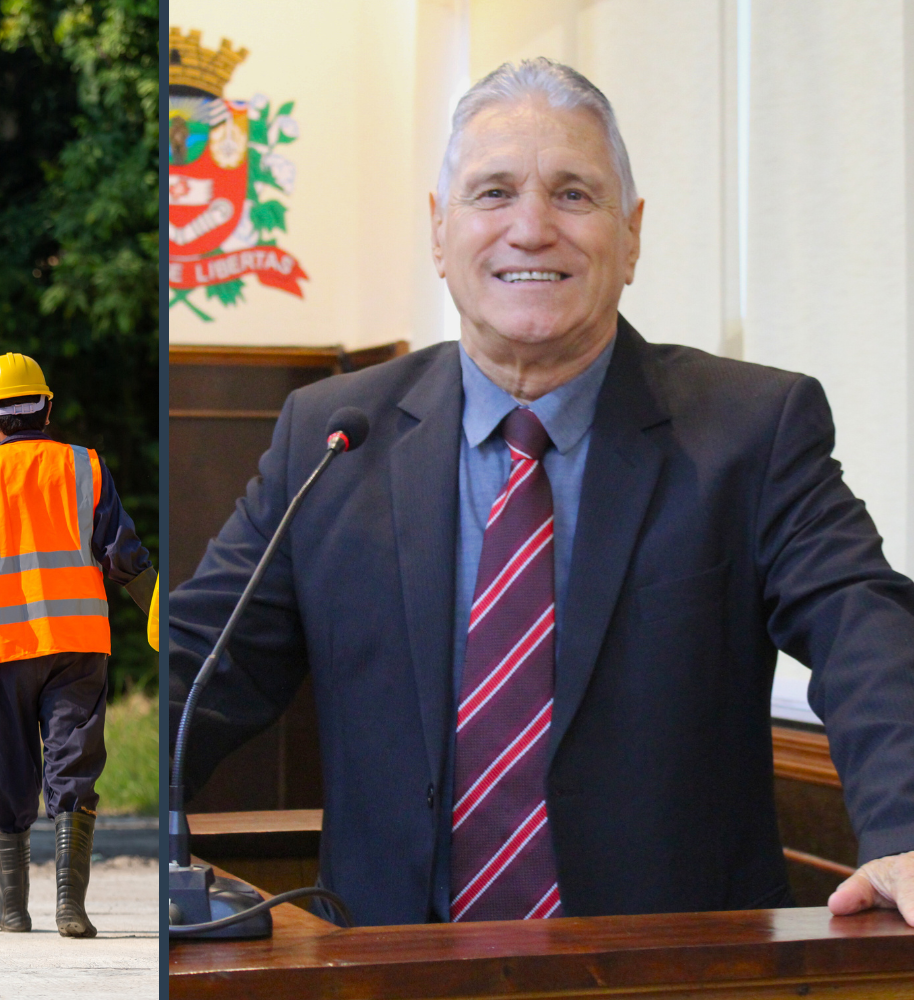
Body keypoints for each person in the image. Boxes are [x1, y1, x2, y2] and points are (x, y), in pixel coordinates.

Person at [168, 58, 914, 927]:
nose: (531, 229)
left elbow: (866, 625)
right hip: (385, 975)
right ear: (439, 232)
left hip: (676, 977)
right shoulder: (329, 436)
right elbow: (201, 663)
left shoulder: (753, 428)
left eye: (572, 194)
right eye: (493, 193)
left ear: (631, 236)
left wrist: (906, 828)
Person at [0, 352, 155, 937]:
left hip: (4, 650)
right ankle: (70, 908)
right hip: (79, 644)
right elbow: (126, 560)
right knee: (72, 766)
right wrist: (163, 620)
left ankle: (11, 907)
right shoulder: (86, 467)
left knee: (9, 772)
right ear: (47, 408)